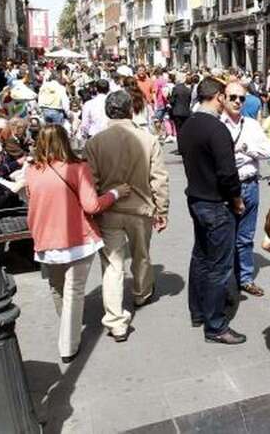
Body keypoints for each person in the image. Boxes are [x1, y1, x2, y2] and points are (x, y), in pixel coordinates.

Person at [26, 125, 131, 362]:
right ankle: (68, 344)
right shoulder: (78, 168)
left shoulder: (32, 170)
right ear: (65, 141)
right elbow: (91, 206)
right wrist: (115, 193)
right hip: (77, 239)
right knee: (74, 290)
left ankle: (68, 328)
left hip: (45, 240)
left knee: (57, 287)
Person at [85, 90, 170, 342]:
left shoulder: (95, 143)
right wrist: (162, 209)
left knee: (112, 265)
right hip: (140, 209)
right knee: (142, 255)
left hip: (109, 210)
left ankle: (115, 320)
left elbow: (91, 181)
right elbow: (159, 178)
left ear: (107, 112)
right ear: (131, 111)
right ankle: (141, 292)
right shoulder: (148, 139)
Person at [178, 77, 247, 344]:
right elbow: (228, 173)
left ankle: (198, 312)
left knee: (201, 257)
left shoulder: (189, 125)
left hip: (197, 197)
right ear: (219, 96)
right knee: (218, 265)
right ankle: (215, 325)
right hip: (216, 203)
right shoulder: (216, 129)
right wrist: (237, 199)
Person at [221, 82, 270, 296]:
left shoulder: (251, 125)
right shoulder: (218, 123)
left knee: (245, 236)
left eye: (241, 98)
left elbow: (269, 150)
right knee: (225, 238)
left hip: (250, 184)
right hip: (226, 188)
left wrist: (248, 150)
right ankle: (224, 284)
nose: (237, 102)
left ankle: (244, 278)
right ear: (223, 98)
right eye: (233, 97)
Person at [171, 73, 193, 138]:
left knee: (178, 130)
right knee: (185, 130)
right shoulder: (188, 90)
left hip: (177, 112)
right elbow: (189, 101)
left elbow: (172, 101)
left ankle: (180, 145)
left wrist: (168, 98)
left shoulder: (175, 88)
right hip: (186, 112)